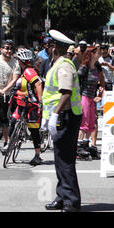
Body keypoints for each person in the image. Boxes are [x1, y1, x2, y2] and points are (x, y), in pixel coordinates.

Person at [42, 30, 83, 212]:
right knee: (60, 159)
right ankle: (62, 196)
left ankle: (71, 202)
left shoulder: (63, 65)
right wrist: (48, 116)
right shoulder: (57, 63)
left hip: (67, 115)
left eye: (50, 44)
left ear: (55, 47)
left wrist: (55, 114)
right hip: (61, 116)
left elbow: (65, 92)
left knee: (65, 160)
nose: (49, 47)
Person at [8, 48, 43, 165]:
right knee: (13, 121)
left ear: (21, 61)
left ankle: (37, 155)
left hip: (32, 105)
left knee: (34, 130)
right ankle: (10, 143)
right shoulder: (24, 71)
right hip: (22, 103)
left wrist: (41, 101)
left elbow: (38, 84)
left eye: (18, 60)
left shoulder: (29, 71)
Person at [77, 46, 104, 157]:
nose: (100, 54)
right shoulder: (84, 67)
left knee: (92, 122)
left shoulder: (97, 66)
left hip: (92, 97)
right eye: (98, 53)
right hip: (84, 96)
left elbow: (100, 81)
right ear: (92, 54)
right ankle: (79, 147)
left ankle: (85, 144)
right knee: (84, 122)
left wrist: (100, 92)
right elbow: (77, 83)